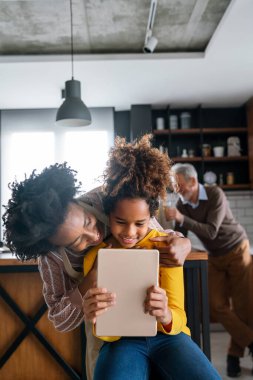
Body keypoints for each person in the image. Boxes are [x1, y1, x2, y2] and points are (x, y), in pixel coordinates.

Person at [2, 162, 191, 380]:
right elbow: (60, 320)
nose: (93, 236)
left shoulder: (103, 198)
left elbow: (152, 234)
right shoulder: (51, 258)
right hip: (107, 334)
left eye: (88, 222)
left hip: (154, 319)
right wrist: (89, 280)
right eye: (77, 241)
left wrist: (181, 242)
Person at [82, 135, 221, 380]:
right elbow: (107, 334)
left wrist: (165, 314)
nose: (130, 232)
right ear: (108, 216)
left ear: (152, 217)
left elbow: (179, 316)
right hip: (121, 342)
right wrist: (97, 318)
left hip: (169, 338)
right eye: (120, 222)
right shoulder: (97, 256)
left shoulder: (166, 247)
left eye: (140, 223)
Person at [164, 163, 253, 378]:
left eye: (180, 185)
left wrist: (181, 218)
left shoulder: (215, 194)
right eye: (175, 187)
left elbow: (212, 231)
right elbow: (180, 235)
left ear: (193, 181)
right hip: (214, 255)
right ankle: (251, 341)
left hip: (236, 249)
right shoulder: (182, 204)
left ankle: (233, 355)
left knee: (244, 307)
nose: (177, 190)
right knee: (214, 305)